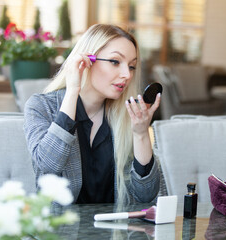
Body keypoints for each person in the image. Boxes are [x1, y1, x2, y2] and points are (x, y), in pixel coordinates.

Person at [24, 24, 161, 205]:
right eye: (115, 62)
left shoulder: (126, 114)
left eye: (132, 66)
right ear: (86, 61)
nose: (127, 74)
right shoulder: (41, 106)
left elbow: (146, 195)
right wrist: (73, 90)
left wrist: (141, 133)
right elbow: (48, 165)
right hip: (61, 229)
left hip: (112, 231)